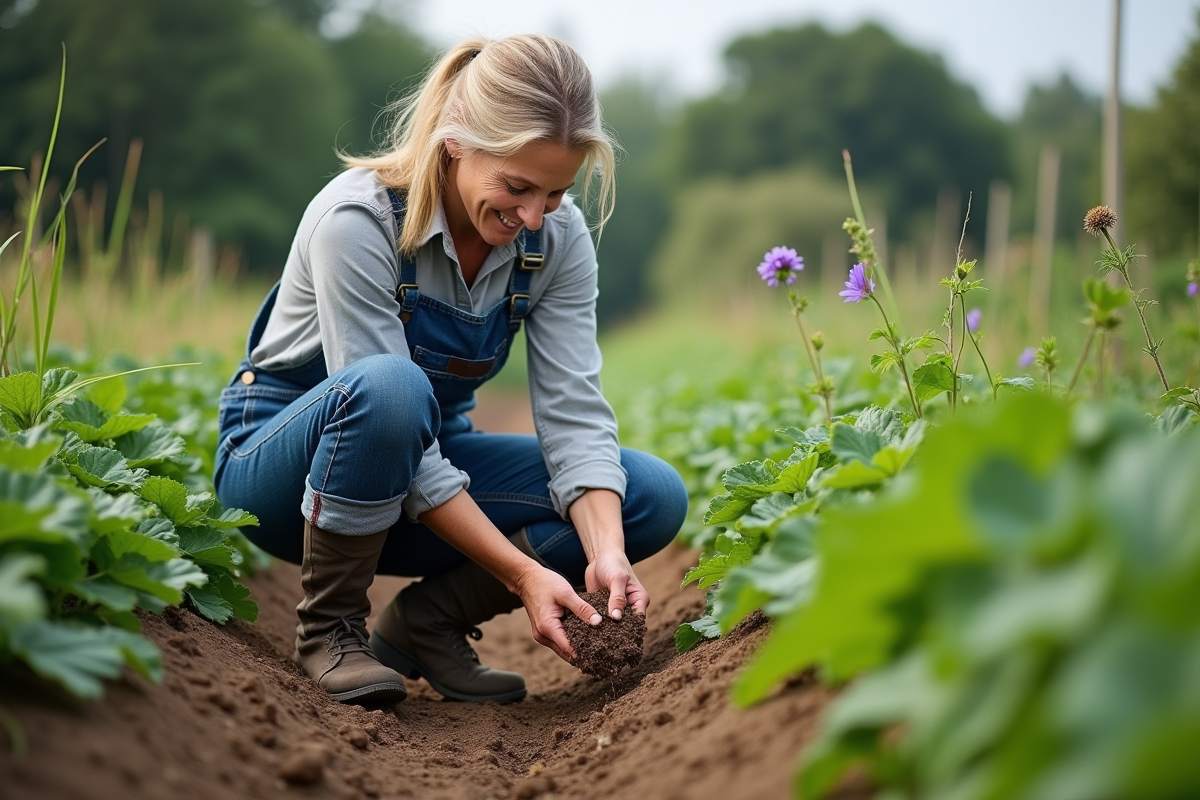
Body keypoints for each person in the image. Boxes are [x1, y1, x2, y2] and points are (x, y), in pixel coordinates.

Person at [213, 33, 688, 705]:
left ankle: (425, 626)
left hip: (422, 467)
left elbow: (575, 412)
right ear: (454, 140)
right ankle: (330, 629)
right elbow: (385, 402)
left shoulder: (558, 240)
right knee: (392, 389)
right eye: (517, 187)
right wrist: (523, 574)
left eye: (554, 194)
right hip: (282, 480)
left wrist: (604, 550)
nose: (532, 217)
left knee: (647, 497)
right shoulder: (356, 221)